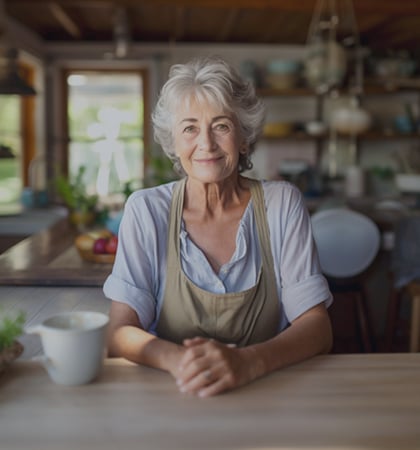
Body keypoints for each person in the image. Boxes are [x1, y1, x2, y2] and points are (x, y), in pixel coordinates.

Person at [103, 56, 333, 397]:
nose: (206, 144)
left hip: (270, 391)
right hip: (173, 392)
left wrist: (247, 363)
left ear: (243, 138)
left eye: (221, 126)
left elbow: (317, 328)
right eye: (190, 128)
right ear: (174, 143)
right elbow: (119, 331)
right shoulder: (147, 210)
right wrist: (180, 361)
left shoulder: (282, 204)